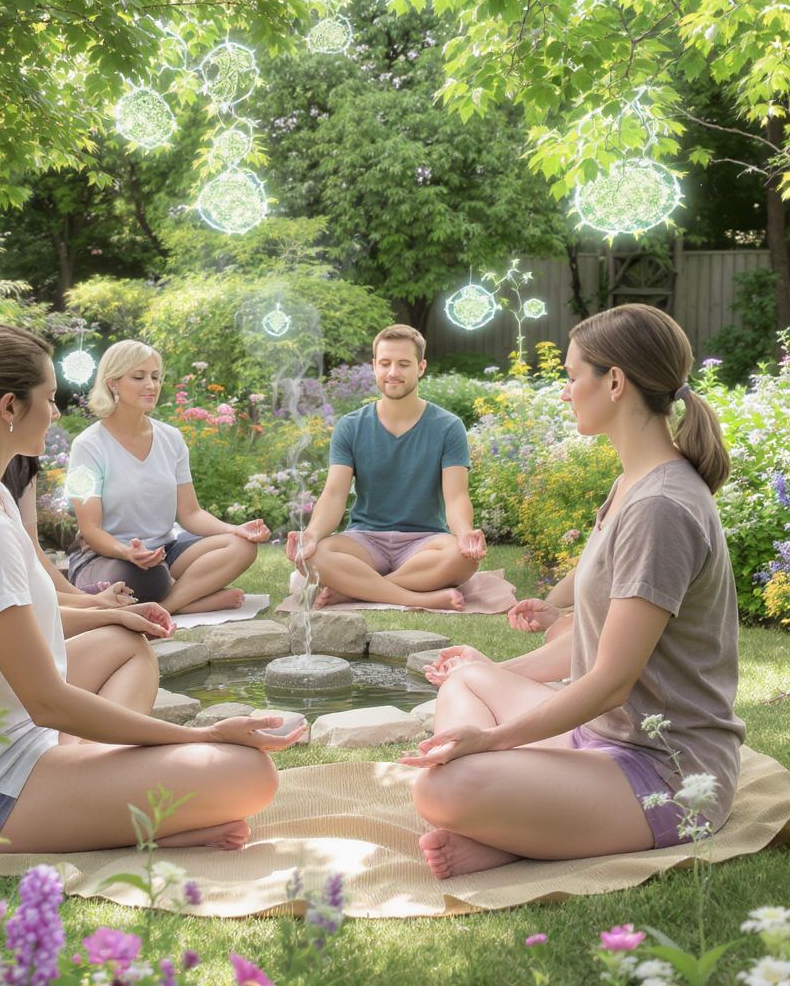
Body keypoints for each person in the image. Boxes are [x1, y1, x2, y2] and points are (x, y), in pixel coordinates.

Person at [0, 324, 304, 854]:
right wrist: (203, 737)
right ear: (10, 408)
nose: (57, 411)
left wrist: (111, 617)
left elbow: (15, 621)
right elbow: (49, 703)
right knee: (248, 772)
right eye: (50, 398)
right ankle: (93, 804)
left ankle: (89, 793)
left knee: (124, 646)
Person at [402, 303, 744, 879]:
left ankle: (514, 831)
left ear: (614, 382)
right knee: (467, 679)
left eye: (570, 376)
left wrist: (491, 740)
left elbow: (612, 681)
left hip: (667, 773)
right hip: (598, 740)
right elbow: (598, 638)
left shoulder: (661, 507)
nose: (564, 392)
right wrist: (503, 664)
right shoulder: (632, 483)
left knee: (442, 789)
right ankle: (525, 821)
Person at [286, 324, 486, 610]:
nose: (393, 372)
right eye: (385, 363)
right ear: (374, 366)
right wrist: (313, 534)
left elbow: (456, 497)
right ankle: (414, 596)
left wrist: (465, 533)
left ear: (421, 367)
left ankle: (356, 589)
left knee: (462, 557)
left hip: (424, 542)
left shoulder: (448, 426)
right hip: (364, 541)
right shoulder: (351, 426)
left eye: (404, 364)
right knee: (311, 556)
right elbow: (333, 494)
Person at [66, 339, 270, 615]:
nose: (151, 385)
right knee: (146, 579)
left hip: (165, 551)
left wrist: (233, 529)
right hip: (108, 557)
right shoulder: (87, 446)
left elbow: (191, 514)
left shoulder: (171, 438)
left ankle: (168, 607)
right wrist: (128, 552)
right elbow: (91, 530)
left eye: (155, 377)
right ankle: (190, 598)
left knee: (242, 547)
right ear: (112, 383)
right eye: (138, 377)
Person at [1, 455, 175, 641]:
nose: (50, 426)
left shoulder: (23, 464)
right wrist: (102, 608)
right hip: (97, 559)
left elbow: (32, 550)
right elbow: (21, 611)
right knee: (132, 631)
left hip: (160, 552)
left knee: (156, 578)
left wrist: (97, 603)